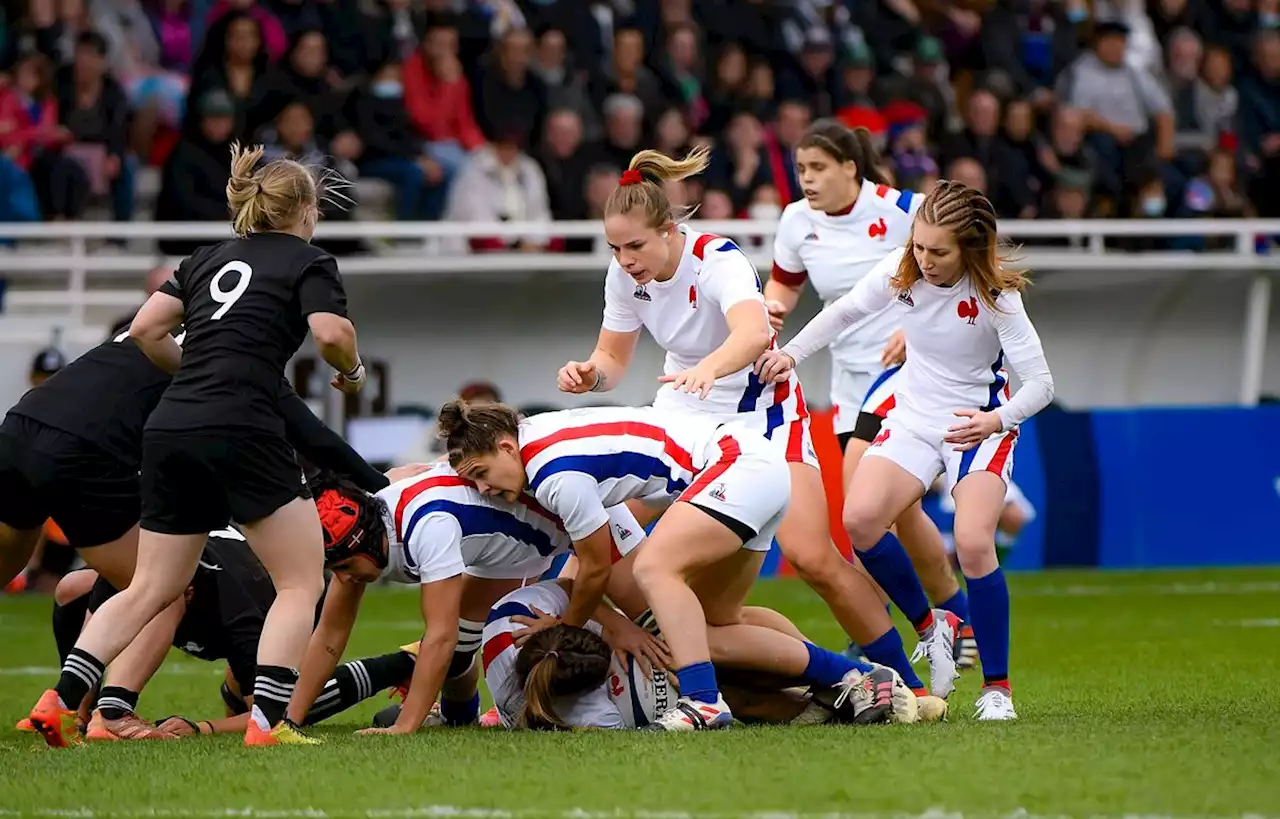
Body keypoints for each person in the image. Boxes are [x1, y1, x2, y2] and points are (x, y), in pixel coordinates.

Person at [553, 146, 936, 699]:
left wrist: (707, 369)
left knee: (811, 557)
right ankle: (830, 682)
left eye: (635, 245)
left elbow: (755, 335)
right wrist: (589, 374)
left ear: (668, 230)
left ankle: (911, 685)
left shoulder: (717, 258)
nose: (626, 258)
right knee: (613, 523)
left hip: (765, 415)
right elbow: (612, 360)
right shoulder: (623, 276)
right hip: (689, 418)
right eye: (615, 248)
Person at [26, 142, 366, 749]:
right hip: (244, 425)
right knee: (298, 580)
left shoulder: (207, 257)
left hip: (173, 424)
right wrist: (353, 370)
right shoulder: (308, 260)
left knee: (151, 587)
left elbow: (147, 330)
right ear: (307, 212)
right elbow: (331, 331)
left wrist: (191, 373)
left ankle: (60, 701)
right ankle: (267, 726)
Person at [755, 181, 1055, 721]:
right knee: (863, 521)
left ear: (970, 247)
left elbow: (1040, 384)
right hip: (914, 417)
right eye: (919, 246)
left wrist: (994, 419)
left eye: (938, 251)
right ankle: (931, 625)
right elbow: (844, 312)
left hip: (978, 424)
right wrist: (793, 353)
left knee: (972, 542)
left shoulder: (997, 298)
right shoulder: (902, 271)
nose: (924, 259)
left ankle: (997, 691)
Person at [440, 401, 915, 731]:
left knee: (658, 572)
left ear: (505, 446)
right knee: (715, 627)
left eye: (480, 475)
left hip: (734, 465)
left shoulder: (550, 475)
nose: (482, 490)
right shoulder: (539, 440)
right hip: (754, 466)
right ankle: (857, 681)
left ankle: (705, 702)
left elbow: (594, 570)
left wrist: (566, 627)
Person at [765, 120, 974, 679]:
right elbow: (785, 286)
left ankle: (878, 630)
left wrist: (917, 326)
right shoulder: (795, 222)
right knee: (898, 517)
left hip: (903, 375)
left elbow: (957, 266)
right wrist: (767, 313)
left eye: (817, 168)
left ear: (850, 168)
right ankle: (958, 618)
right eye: (800, 169)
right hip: (848, 382)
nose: (806, 179)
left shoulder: (905, 208)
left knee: (860, 509)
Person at [286, 466, 652, 736]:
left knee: (657, 629)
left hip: (581, 519)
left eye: (346, 566)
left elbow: (438, 635)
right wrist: (291, 721)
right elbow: (330, 634)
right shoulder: (365, 528)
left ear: (365, 539)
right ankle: (458, 715)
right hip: (514, 544)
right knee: (461, 642)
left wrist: (403, 726)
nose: (345, 578)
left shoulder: (429, 526)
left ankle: (702, 698)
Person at [29, 525, 423, 741]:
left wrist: (202, 728)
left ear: (192, 588)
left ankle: (404, 661)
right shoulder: (142, 576)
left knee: (287, 707)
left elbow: (266, 718)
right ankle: (96, 710)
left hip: (279, 604)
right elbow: (102, 605)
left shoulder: (243, 617)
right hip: (229, 567)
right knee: (71, 588)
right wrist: (84, 719)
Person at [482, 578, 936, 730]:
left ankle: (849, 677)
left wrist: (618, 626)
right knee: (739, 696)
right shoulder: (584, 712)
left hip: (634, 632)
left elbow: (570, 585)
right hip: (643, 698)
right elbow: (620, 730)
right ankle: (825, 703)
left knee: (721, 634)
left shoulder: (516, 617)